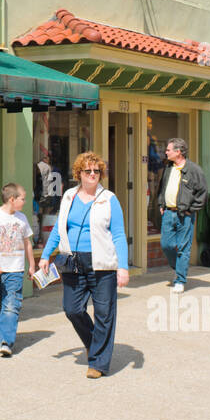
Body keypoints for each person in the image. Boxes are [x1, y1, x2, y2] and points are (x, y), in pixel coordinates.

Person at [38, 151, 129, 378]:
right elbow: (60, 231)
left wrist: (123, 267)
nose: (92, 174)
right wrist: (45, 256)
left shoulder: (109, 199)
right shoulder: (69, 196)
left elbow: (118, 234)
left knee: (104, 313)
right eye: (87, 171)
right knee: (72, 309)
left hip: (102, 263)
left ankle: (98, 363)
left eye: (96, 171)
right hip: (72, 261)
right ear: (79, 173)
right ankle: (93, 342)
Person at [0, 182, 37, 357]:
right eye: (22, 199)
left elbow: (27, 243)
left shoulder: (22, 219)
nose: (25, 202)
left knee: (11, 304)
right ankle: (1, 331)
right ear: (12, 199)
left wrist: (31, 265)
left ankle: (7, 342)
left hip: (15, 270)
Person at [151, 137, 207, 294]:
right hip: (168, 213)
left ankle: (180, 279)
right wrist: (161, 204)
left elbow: (202, 193)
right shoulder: (168, 168)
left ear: (178, 152)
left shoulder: (194, 170)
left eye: (168, 150)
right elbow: (162, 187)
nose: (166, 152)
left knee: (183, 248)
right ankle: (179, 267)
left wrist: (191, 209)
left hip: (185, 215)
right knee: (166, 245)